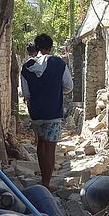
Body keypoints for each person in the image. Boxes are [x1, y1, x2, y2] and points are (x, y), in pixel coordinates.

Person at [20, 33, 73, 189]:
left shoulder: (26, 67)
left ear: (36, 47)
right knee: (50, 147)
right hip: (53, 111)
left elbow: (26, 94)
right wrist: (55, 89)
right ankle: (46, 182)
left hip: (36, 112)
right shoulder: (58, 64)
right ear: (50, 47)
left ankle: (43, 179)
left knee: (41, 144)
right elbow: (68, 87)